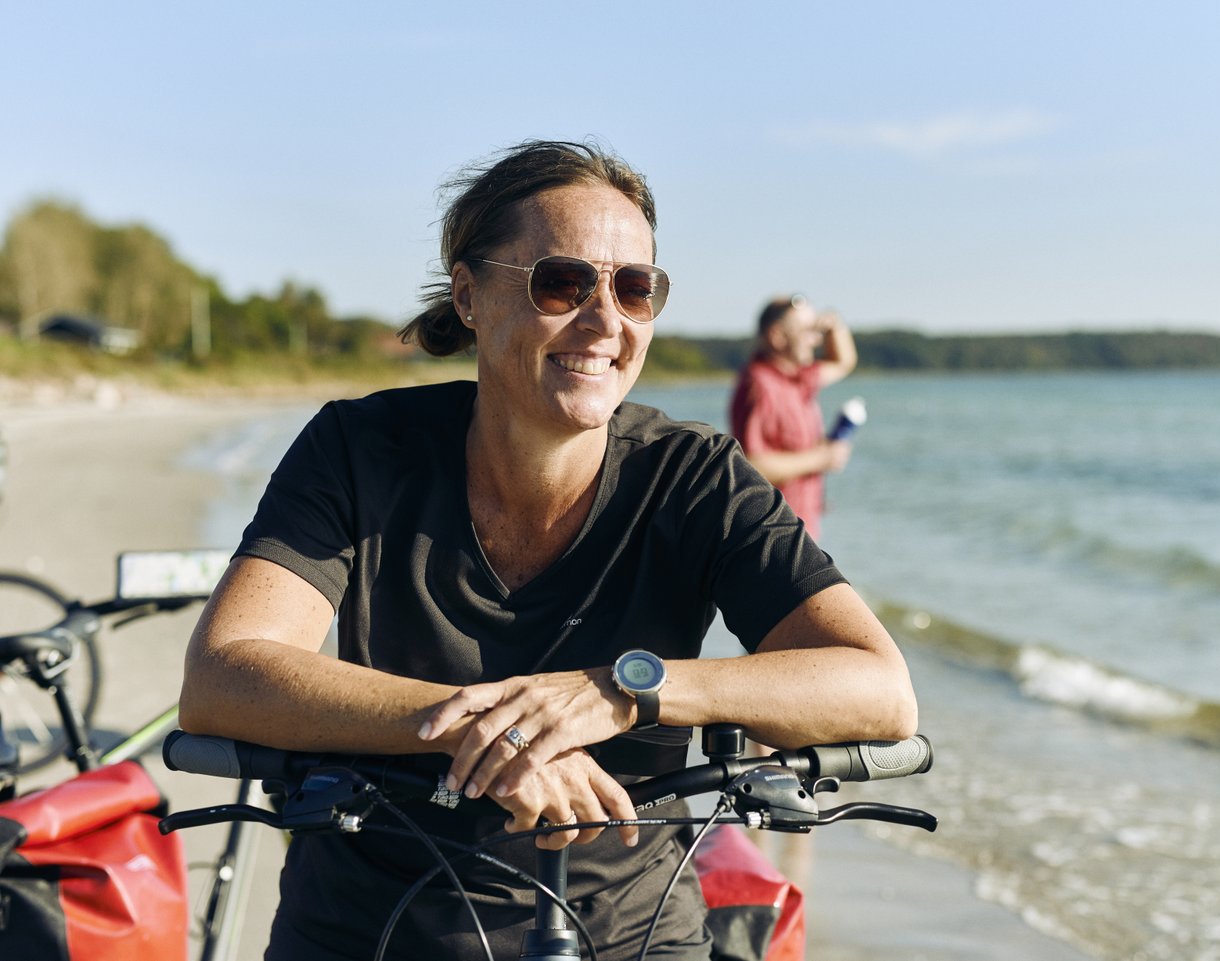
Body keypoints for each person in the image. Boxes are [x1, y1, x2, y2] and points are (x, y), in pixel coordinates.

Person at [177, 140, 917, 961]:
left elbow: (878, 686)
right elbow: (224, 671)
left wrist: (625, 689)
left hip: (630, 934)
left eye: (636, 289)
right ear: (470, 294)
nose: (607, 322)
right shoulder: (358, 449)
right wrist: (488, 734)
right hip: (369, 927)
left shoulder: (696, 477)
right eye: (562, 283)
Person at [727, 295, 858, 540]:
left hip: (803, 529)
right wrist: (822, 458)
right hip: (772, 534)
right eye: (809, 331)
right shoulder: (759, 384)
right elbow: (752, 465)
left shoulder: (800, 377)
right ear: (778, 336)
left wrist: (834, 325)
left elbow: (844, 362)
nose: (816, 340)